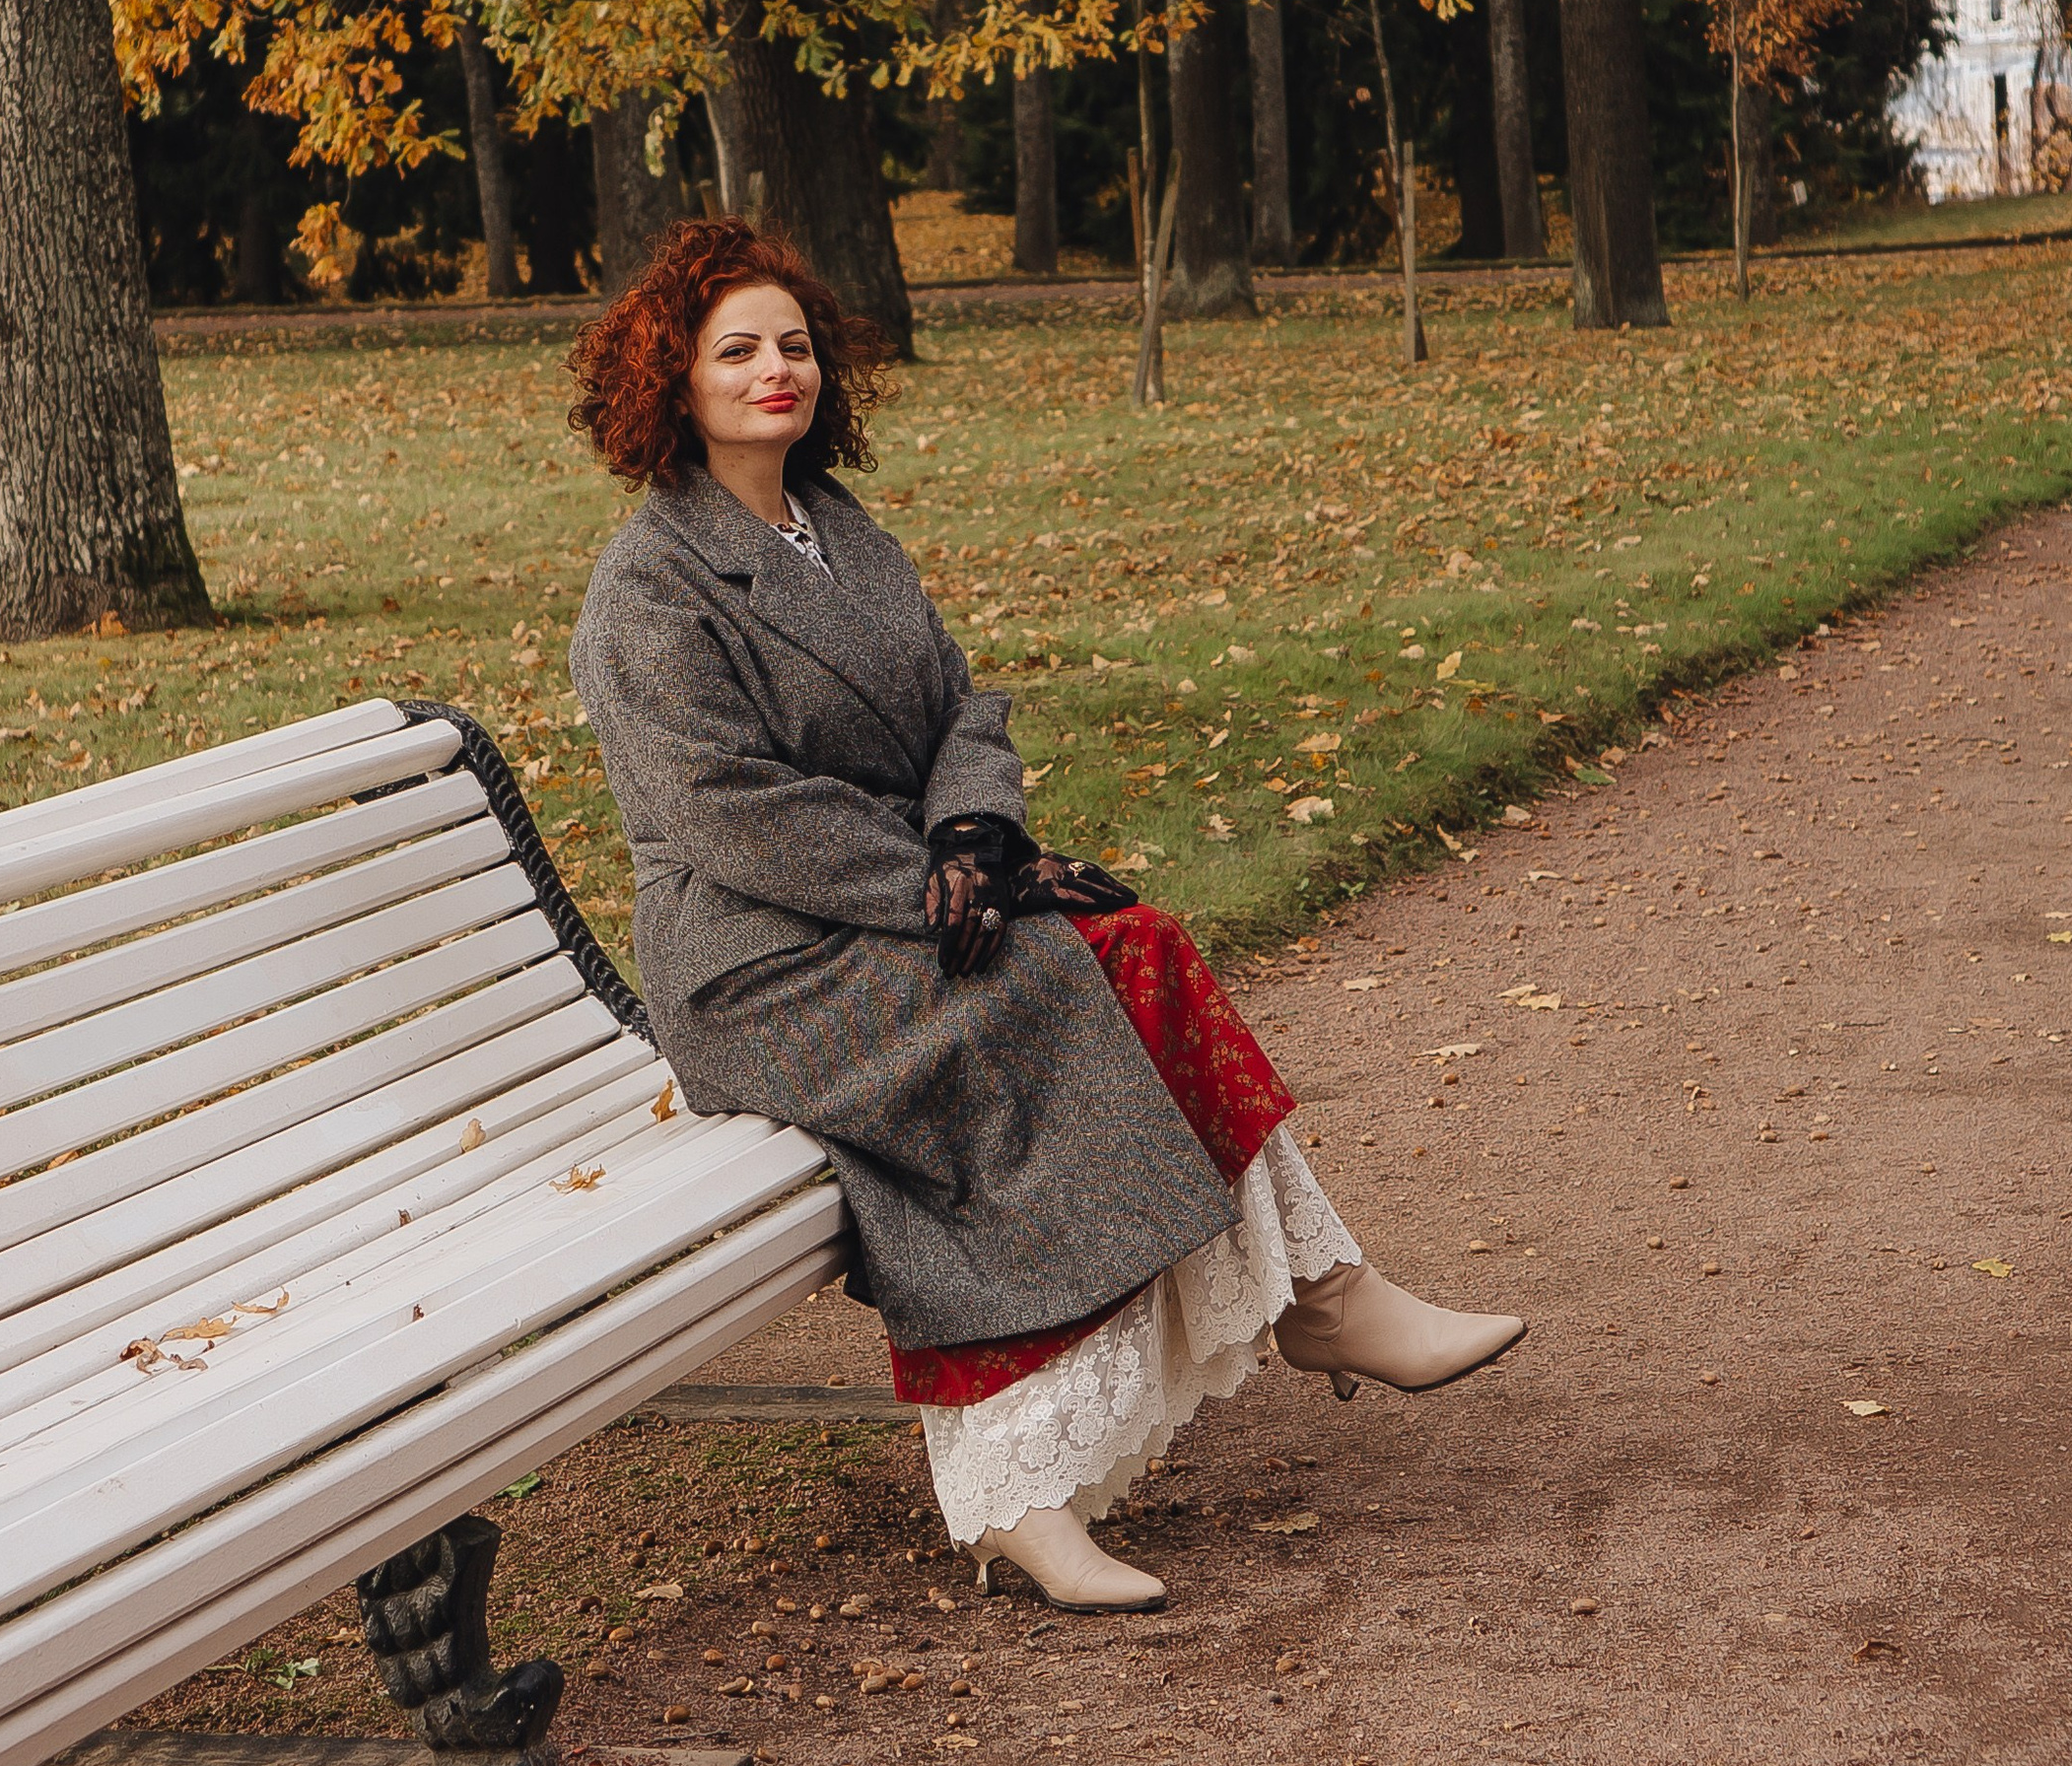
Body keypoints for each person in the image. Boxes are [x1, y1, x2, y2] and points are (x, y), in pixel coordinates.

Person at [567, 218, 1523, 1611]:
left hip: (897, 906)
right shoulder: (647, 588)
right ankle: (1021, 1484)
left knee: (1134, 944)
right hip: (761, 970)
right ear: (673, 379)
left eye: (794, 345)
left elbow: (968, 706)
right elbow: (728, 816)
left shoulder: (840, 534)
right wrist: (960, 883)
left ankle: (1322, 1293)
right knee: (1049, 988)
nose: (777, 370)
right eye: (737, 352)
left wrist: (976, 833)